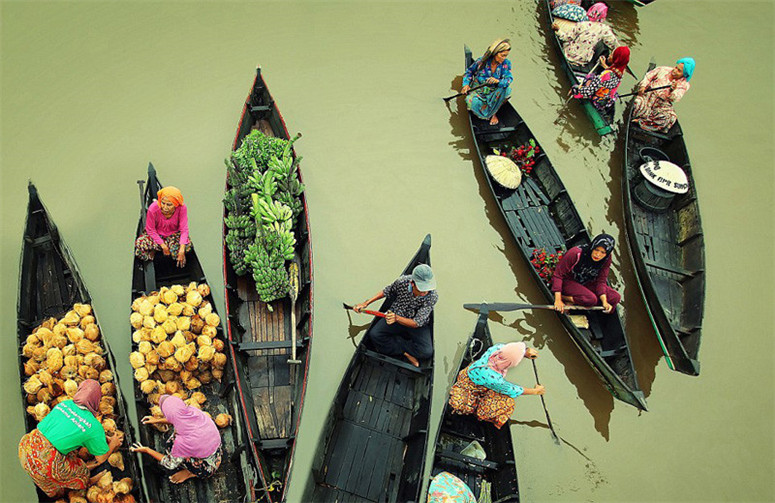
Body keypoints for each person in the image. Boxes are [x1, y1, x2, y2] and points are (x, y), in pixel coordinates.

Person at [18, 380, 124, 498]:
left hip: (27, 446)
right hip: (47, 463)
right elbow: (101, 458)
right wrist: (114, 443)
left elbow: (68, 428)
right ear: (97, 400)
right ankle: (85, 482)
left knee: (45, 475)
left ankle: (52, 486)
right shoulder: (94, 426)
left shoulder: (65, 404)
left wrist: (99, 438)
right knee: (81, 474)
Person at [353, 264, 437, 367]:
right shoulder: (402, 282)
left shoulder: (432, 296)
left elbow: (416, 323)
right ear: (412, 283)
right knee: (375, 335)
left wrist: (396, 318)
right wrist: (366, 303)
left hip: (415, 324)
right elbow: (386, 291)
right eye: (422, 289)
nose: (425, 292)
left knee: (426, 352)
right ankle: (405, 352)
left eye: (427, 288)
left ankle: (399, 345)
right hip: (397, 312)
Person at [449, 342, 544, 429]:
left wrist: (525, 351)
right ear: (508, 364)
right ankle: (478, 413)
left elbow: (511, 349)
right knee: (508, 403)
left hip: (470, 375)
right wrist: (535, 391)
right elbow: (512, 389)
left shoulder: (496, 349)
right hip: (470, 388)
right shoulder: (493, 378)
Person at [131, 395, 223, 484]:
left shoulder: (182, 443)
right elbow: (176, 417)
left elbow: (170, 464)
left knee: (174, 452)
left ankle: (190, 473)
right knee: (172, 443)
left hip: (208, 464)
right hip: (213, 446)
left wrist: (147, 450)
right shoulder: (193, 411)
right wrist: (156, 420)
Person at [552, 233, 620, 314]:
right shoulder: (575, 253)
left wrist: (604, 301)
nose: (598, 255)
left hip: (587, 281)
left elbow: (601, 281)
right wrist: (558, 299)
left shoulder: (606, 259)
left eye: (603, 252)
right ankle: (566, 298)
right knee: (591, 299)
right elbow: (558, 275)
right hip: (568, 281)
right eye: (596, 250)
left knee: (615, 297)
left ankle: (582, 301)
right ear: (592, 246)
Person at [631, 58, 694, 133]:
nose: (675, 70)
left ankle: (642, 123)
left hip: (661, 104)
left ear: (684, 74)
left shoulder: (684, 85)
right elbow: (648, 76)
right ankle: (637, 116)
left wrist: (672, 90)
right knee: (636, 103)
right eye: (676, 67)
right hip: (648, 97)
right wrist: (643, 86)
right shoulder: (663, 69)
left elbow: (675, 98)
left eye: (679, 71)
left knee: (670, 118)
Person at [134, 186, 192, 267]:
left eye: (169, 205)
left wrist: (182, 250)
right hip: (156, 235)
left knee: (186, 248)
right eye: (163, 203)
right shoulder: (153, 209)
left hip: (173, 235)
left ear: (175, 204)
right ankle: (155, 249)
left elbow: (184, 229)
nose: (165, 207)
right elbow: (150, 230)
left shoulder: (182, 208)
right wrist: (163, 246)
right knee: (140, 245)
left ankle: (160, 249)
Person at [461, 38, 514, 125]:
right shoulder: (482, 62)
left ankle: (493, 113)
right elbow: (469, 72)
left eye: (506, 56)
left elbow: (509, 79)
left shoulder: (506, 64)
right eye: (502, 55)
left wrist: (498, 81)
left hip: (493, 93)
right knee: (469, 101)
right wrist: (466, 85)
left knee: (507, 91)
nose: (504, 58)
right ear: (495, 53)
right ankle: (485, 111)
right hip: (479, 91)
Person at [553, 2, 619, 69]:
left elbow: (566, 38)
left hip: (570, 54)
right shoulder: (605, 29)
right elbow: (614, 44)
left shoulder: (582, 24)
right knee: (602, 45)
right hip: (585, 59)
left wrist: (558, 30)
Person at [571, 45, 631, 112]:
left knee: (590, 77)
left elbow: (588, 91)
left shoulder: (605, 74)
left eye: (611, 55)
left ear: (615, 59)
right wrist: (604, 65)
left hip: (597, 101)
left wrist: (575, 88)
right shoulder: (621, 72)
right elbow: (611, 74)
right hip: (607, 100)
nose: (609, 56)